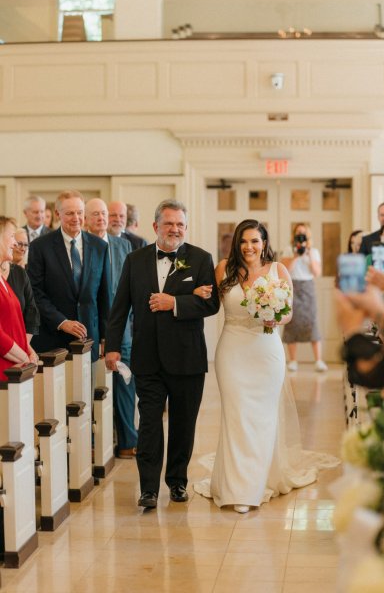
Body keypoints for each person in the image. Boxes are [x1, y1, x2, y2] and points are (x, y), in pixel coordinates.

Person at [193, 219, 338, 513]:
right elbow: (210, 304)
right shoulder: (224, 269)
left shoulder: (278, 270)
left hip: (266, 350)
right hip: (232, 350)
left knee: (262, 418)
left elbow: (288, 313)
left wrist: (275, 316)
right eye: (244, 241)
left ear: (264, 243)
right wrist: (196, 295)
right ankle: (237, 488)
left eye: (255, 241)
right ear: (237, 243)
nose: (249, 247)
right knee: (236, 416)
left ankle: (257, 483)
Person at [105, 199, 219, 510]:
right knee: (150, 425)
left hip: (187, 358)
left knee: (183, 425)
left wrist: (175, 303)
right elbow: (120, 306)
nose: (175, 229)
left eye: (180, 224)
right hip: (148, 357)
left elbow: (211, 304)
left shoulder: (200, 259)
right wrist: (113, 345)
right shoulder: (135, 260)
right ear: (156, 226)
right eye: (169, 223)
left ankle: (178, 482)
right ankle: (149, 489)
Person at [27, 190, 111, 366]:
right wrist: (62, 322)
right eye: (70, 213)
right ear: (58, 214)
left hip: (89, 339)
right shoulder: (40, 247)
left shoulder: (99, 247)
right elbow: (35, 292)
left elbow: (104, 295)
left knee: (87, 392)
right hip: (52, 339)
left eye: (79, 212)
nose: (76, 218)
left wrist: (106, 336)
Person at [85, 198, 138, 459]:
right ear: (86, 219)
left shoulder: (123, 245)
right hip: (91, 327)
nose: (103, 218)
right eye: (95, 214)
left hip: (123, 327)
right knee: (93, 386)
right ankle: (96, 442)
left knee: (126, 382)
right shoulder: (82, 245)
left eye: (105, 214)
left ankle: (128, 440)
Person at [281, 223, 327, 372]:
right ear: (293, 235)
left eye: (303, 233)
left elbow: (316, 272)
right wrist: (295, 255)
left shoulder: (313, 251)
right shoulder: (288, 250)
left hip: (308, 287)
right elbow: (285, 270)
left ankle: (318, 360)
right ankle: (293, 361)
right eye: (298, 233)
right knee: (291, 321)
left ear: (308, 235)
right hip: (292, 286)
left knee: (312, 321)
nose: (300, 235)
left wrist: (308, 255)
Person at [0, 216, 38, 381]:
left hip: (15, 368)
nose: (15, 244)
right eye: (11, 236)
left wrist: (28, 350)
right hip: (5, 371)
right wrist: (24, 358)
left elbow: (15, 324)